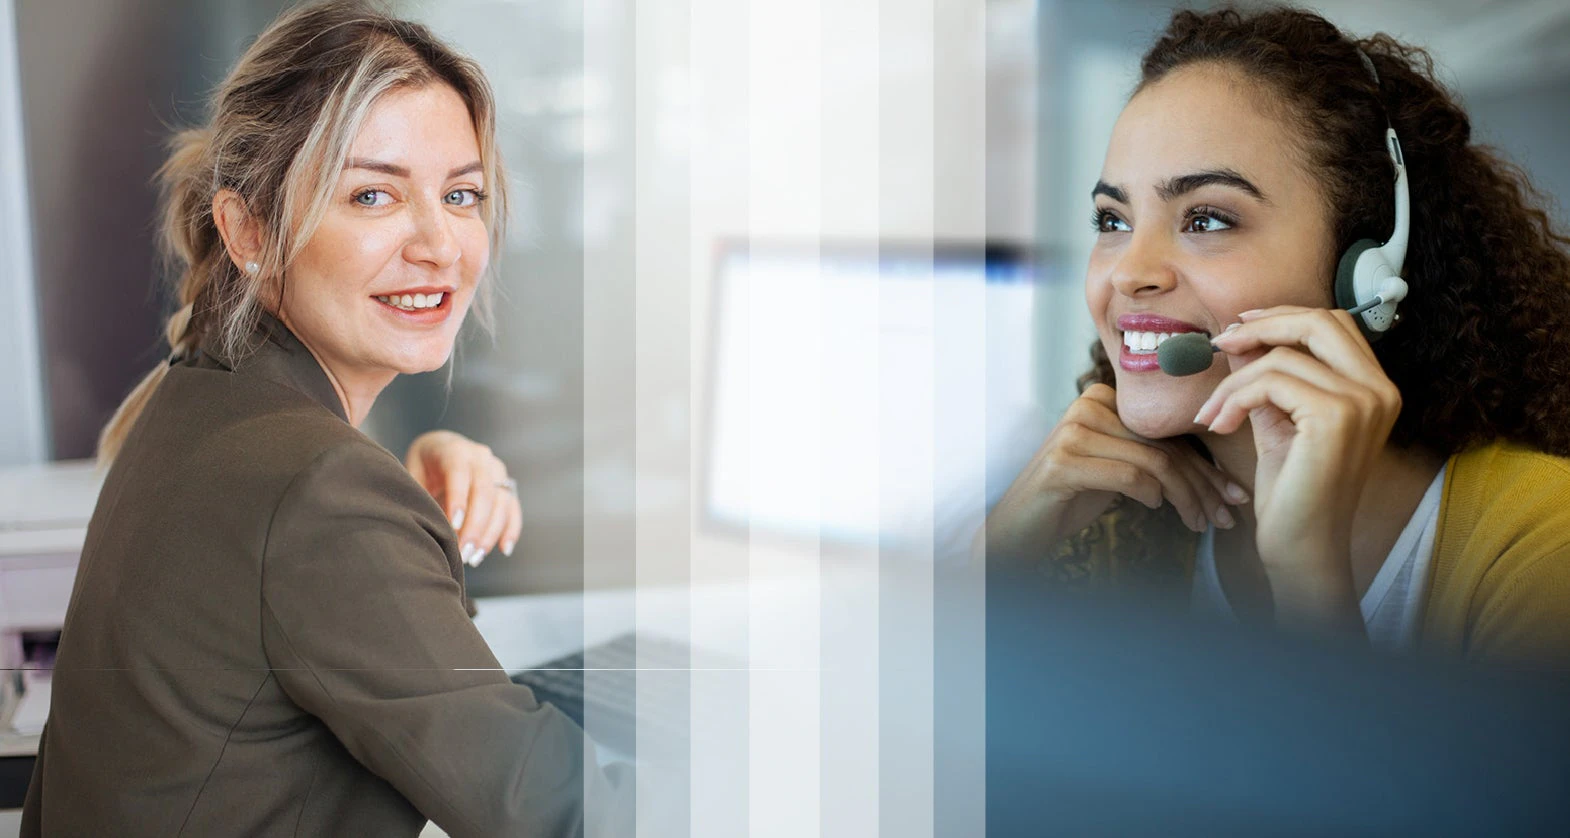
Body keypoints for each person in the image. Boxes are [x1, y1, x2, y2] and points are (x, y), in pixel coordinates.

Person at [22, 2, 631, 835]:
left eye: (461, 194)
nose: (439, 244)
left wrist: (403, 503)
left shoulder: (204, 399)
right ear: (249, 229)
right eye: (373, 194)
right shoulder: (317, 489)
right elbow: (560, 815)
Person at [983, 6, 1570, 668]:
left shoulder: (1544, 543)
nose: (1130, 273)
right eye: (1111, 220)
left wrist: (1308, 579)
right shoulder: (1118, 525)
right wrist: (1000, 550)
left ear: (1367, 268)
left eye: (1205, 219)